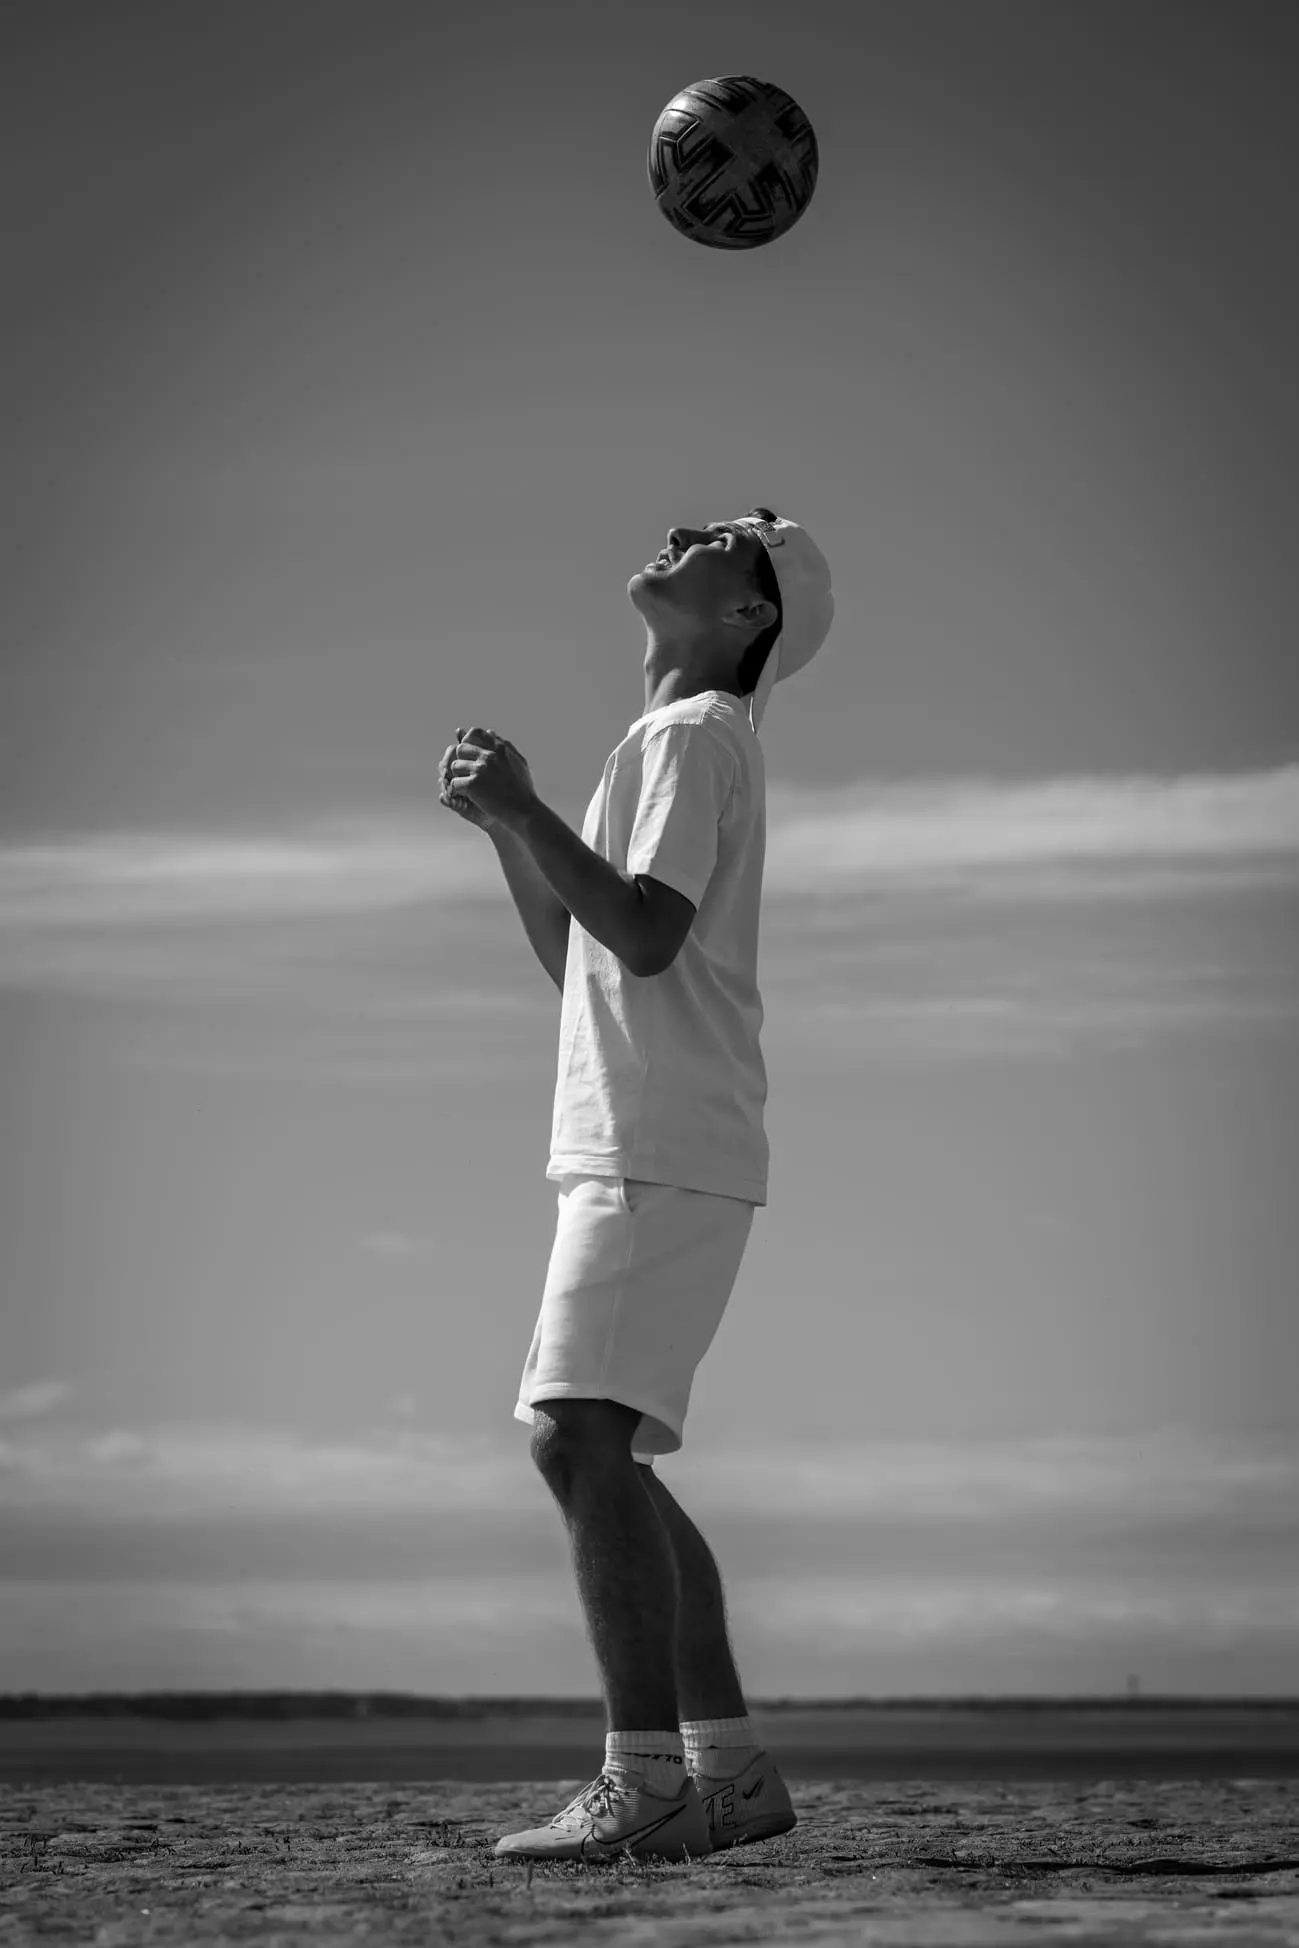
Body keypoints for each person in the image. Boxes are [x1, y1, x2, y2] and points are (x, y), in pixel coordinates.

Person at [439, 508, 834, 1863]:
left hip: (654, 1140)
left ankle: (646, 1782)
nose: (683, 533)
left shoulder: (685, 738)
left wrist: (522, 806)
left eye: (724, 540)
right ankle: (723, 1773)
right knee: (607, 1450)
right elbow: (590, 963)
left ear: (748, 618)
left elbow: (648, 940)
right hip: (656, 1136)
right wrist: (511, 830)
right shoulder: (676, 745)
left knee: (573, 1435)